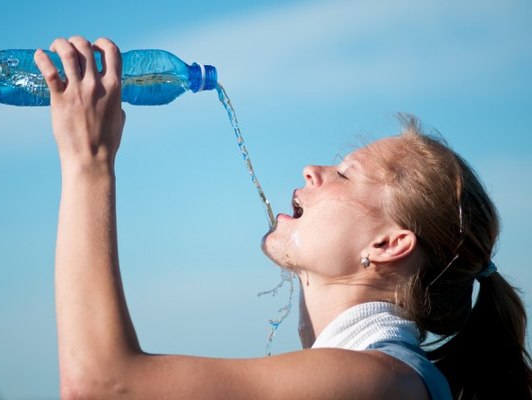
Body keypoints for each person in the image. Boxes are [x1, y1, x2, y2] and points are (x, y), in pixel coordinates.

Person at [34, 36, 532, 399]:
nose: (312, 170)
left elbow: (101, 385)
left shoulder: (383, 381)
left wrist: (88, 161)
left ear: (387, 244)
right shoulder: (377, 375)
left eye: (346, 173)